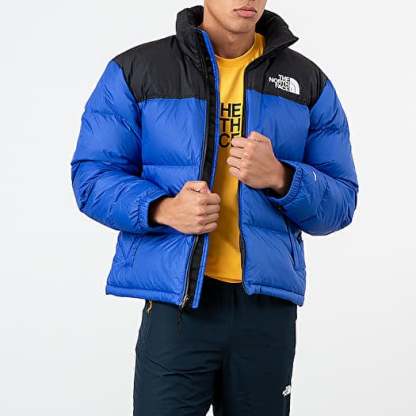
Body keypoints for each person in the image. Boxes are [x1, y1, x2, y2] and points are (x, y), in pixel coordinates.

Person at [70, 1, 358, 414]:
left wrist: (281, 177)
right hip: (179, 305)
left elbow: (341, 202)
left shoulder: (307, 82)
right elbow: (92, 177)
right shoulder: (137, 70)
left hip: (266, 308)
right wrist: (162, 209)